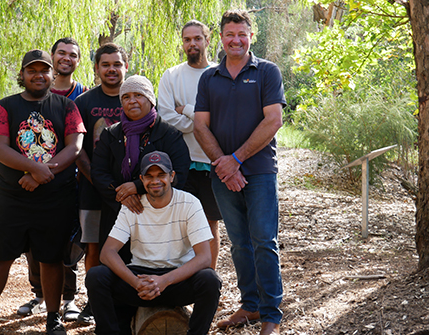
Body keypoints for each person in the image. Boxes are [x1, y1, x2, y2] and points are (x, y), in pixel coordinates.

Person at [0, 49, 85, 335]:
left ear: (53, 75)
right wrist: (33, 169)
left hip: (55, 198)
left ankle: (53, 319)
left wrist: (42, 174)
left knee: (51, 258)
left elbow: (74, 147)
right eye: (32, 70)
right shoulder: (5, 107)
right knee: (0, 257)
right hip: (10, 197)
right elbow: (0, 148)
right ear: (22, 75)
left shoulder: (67, 107)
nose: (39, 75)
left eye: (44, 70)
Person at [193, 9, 286, 335]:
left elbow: (273, 120)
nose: (236, 40)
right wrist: (224, 163)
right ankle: (250, 305)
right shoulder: (209, 77)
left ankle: (271, 313)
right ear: (220, 37)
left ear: (251, 36)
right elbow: (199, 125)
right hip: (222, 173)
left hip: (260, 171)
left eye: (242, 34)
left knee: (263, 240)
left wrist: (237, 159)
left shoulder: (267, 72)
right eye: (230, 34)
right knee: (239, 243)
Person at [86, 151, 221, 335]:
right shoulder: (133, 206)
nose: (155, 181)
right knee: (96, 276)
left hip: (175, 279)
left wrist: (164, 281)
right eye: (149, 176)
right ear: (141, 179)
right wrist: (135, 282)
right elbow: (107, 252)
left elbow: (205, 258)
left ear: (172, 177)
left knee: (210, 280)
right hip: (140, 279)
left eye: (161, 175)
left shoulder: (190, 204)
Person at [17, 37, 87, 323]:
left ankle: (68, 298)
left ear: (78, 61)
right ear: (52, 57)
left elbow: (80, 144)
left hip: (68, 180)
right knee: (33, 242)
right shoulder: (34, 93)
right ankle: (40, 295)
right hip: (30, 180)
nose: (66, 59)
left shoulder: (83, 96)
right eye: (61, 53)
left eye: (72, 55)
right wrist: (31, 173)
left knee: (65, 241)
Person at [91, 75, 190, 255]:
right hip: (116, 212)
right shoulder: (110, 134)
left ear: (151, 100)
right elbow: (98, 172)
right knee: (113, 269)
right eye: (126, 97)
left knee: (153, 267)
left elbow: (179, 174)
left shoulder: (169, 135)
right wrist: (123, 196)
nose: (132, 101)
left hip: (157, 215)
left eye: (138, 95)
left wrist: (137, 188)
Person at [71, 42, 129, 325]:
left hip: (129, 191)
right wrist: (96, 178)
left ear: (125, 67)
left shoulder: (134, 98)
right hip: (92, 189)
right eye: (105, 65)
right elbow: (78, 148)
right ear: (96, 69)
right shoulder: (83, 103)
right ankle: (94, 301)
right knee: (93, 246)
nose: (111, 69)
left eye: (117, 64)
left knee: (128, 245)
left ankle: (125, 300)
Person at [157, 20, 222, 270]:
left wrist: (186, 110)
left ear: (207, 39)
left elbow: (221, 118)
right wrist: (200, 120)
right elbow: (165, 117)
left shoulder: (219, 74)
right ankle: (178, 282)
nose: (192, 44)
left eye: (197, 38)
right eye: (187, 39)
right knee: (178, 224)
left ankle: (209, 279)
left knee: (208, 224)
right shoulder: (172, 75)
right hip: (180, 161)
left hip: (211, 161)